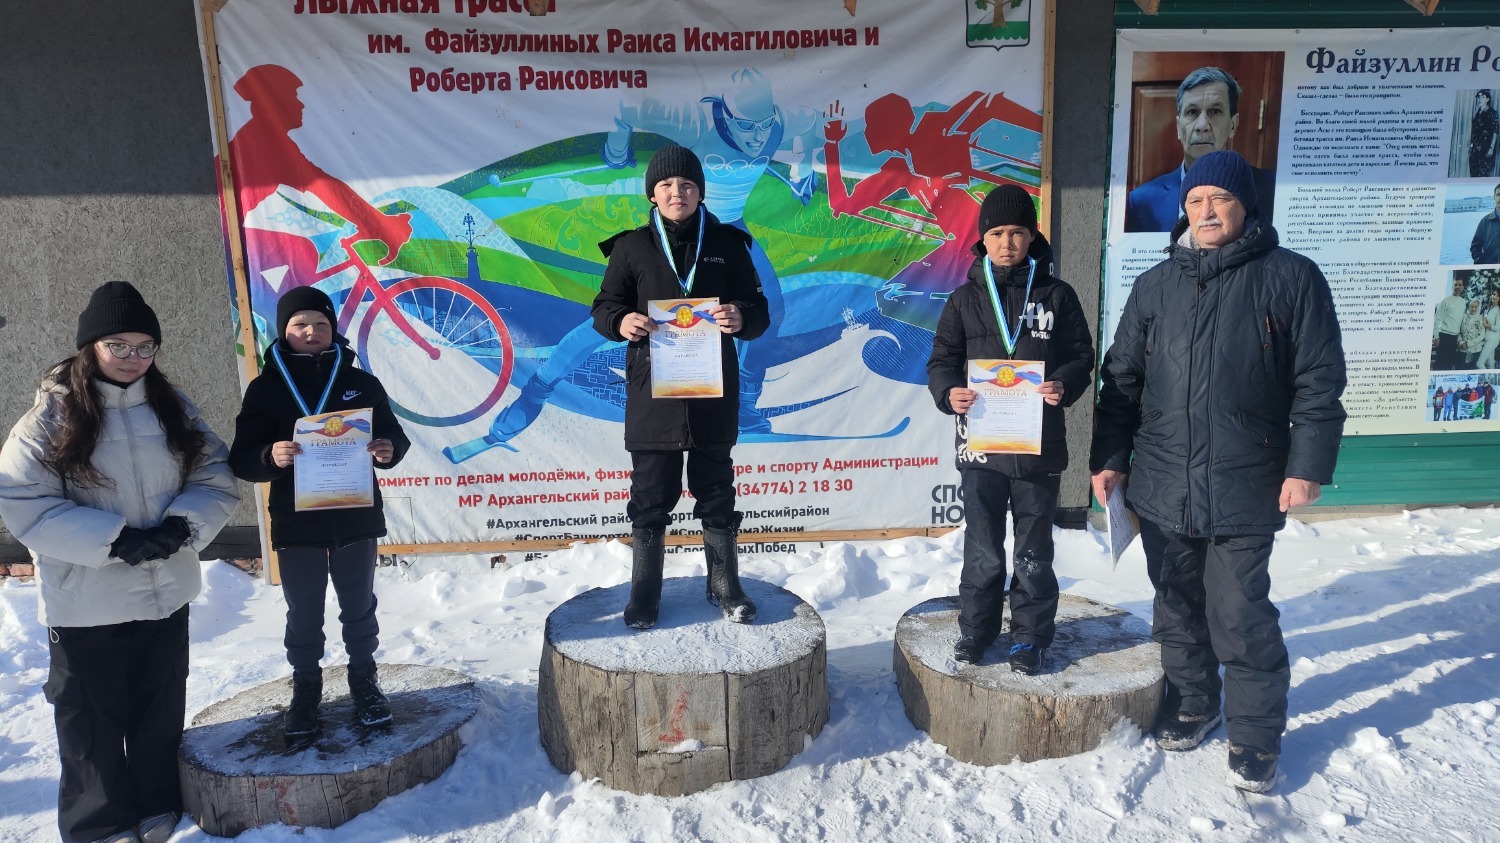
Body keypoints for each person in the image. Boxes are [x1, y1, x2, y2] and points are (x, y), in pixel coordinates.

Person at [1091, 151, 1346, 793]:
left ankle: (1256, 734)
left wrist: (1307, 465)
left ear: (1245, 205)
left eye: (1220, 199)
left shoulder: (1292, 277)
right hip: (1162, 479)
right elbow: (1121, 380)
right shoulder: (1156, 285)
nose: (1206, 212)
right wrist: (1109, 459)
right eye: (1196, 200)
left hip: (1246, 479)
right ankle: (1193, 700)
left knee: (1238, 612)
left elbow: (1319, 381)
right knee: (1176, 603)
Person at [0, 282, 238, 843]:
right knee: (90, 717)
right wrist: (113, 540)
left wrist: (184, 525)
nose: (134, 357)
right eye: (118, 345)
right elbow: (23, 500)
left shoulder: (173, 407)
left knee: (159, 705)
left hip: (165, 589)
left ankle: (157, 802)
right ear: (91, 347)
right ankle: (98, 824)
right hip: (87, 598)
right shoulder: (50, 417)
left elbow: (214, 474)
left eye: (145, 346)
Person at [590, 145, 770, 629]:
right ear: (652, 193)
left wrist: (741, 317)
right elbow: (604, 306)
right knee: (651, 496)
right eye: (667, 185)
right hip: (654, 394)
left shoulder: (729, 243)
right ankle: (645, 592)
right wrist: (620, 321)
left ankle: (724, 585)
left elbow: (758, 311)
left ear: (700, 192)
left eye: (687, 184)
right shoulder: (631, 247)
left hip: (712, 390)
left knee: (717, 491)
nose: (677, 193)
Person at [228, 286, 410, 745]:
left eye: (321, 324)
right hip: (298, 523)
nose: (311, 332)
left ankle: (364, 679)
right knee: (304, 610)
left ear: (333, 329)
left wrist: (388, 450)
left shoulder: (361, 384)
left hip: (355, 516)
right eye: (300, 324)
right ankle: (306, 686)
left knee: (359, 604)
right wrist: (269, 455)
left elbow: (394, 436)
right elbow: (242, 458)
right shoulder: (266, 389)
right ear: (283, 331)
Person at [925, 184, 1094, 674]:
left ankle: (1030, 636)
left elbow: (1081, 356)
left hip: (1038, 448)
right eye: (997, 233)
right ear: (982, 239)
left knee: (1033, 550)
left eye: (1017, 232)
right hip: (981, 447)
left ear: (1032, 235)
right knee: (982, 548)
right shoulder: (963, 300)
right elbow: (941, 361)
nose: (1007, 243)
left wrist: (1064, 383)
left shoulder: (1057, 296)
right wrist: (949, 392)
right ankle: (976, 630)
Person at [1125, 67, 1277, 233]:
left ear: (1233, 125)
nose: (1202, 125)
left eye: (1215, 111)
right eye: (1192, 112)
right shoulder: (1142, 201)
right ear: (1178, 127)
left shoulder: (1273, 190)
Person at [1434, 279, 1469, 371]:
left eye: (1460, 285)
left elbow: (1461, 321)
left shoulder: (1463, 302)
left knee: (1449, 364)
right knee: (1440, 364)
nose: (1457, 287)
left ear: (1463, 287)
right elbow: (1437, 318)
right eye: (1455, 285)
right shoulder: (1446, 300)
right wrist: (1436, 336)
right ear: (1452, 286)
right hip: (1444, 336)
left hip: (1454, 337)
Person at [1470, 90, 1498, 179]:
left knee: (1483, 174)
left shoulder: (1492, 112)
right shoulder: (1478, 113)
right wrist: (1471, 146)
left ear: (1487, 99)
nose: (1480, 99)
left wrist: (1491, 148)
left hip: (1485, 148)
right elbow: (1474, 131)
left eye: (1483, 97)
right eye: (1479, 97)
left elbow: (1495, 131)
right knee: (1473, 173)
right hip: (1475, 149)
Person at [1471, 185, 1500, 265]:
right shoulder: (1484, 222)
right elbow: (1475, 247)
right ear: (1494, 197)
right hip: (1490, 270)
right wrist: (1480, 261)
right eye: (1498, 194)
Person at [1460, 298, 1486, 368]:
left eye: (1476, 307)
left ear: (1478, 308)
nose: (1473, 309)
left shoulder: (1481, 319)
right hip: (1463, 349)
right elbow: (1458, 331)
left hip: (1475, 350)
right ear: (1469, 307)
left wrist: (1469, 344)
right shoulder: (1464, 317)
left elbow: (1482, 335)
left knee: (1472, 370)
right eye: (1472, 306)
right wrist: (1461, 343)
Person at [1478, 288, 1500, 370]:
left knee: (1479, 364)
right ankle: (1491, 377)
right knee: (1490, 365)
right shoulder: (1488, 309)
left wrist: (1487, 325)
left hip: (1493, 340)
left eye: (1498, 295)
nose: (1495, 297)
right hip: (1487, 338)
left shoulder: (1498, 310)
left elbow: (1497, 328)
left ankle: (1486, 377)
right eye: (1494, 294)